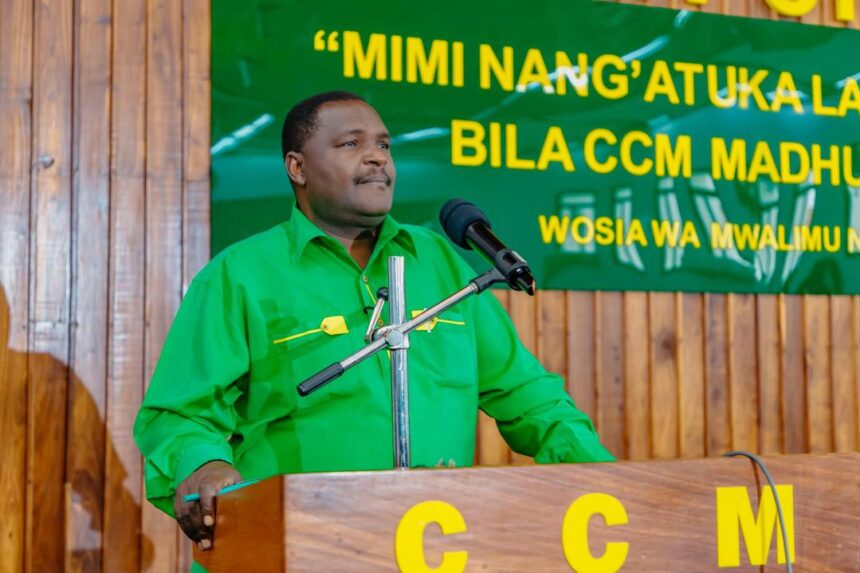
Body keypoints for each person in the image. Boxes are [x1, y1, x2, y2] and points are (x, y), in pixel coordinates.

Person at [133, 90, 614, 557]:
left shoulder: (441, 264)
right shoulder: (240, 275)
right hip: (294, 546)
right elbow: (180, 414)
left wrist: (606, 480)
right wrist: (204, 464)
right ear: (297, 168)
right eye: (351, 143)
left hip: (431, 545)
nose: (377, 158)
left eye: (384, 145)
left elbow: (529, 397)